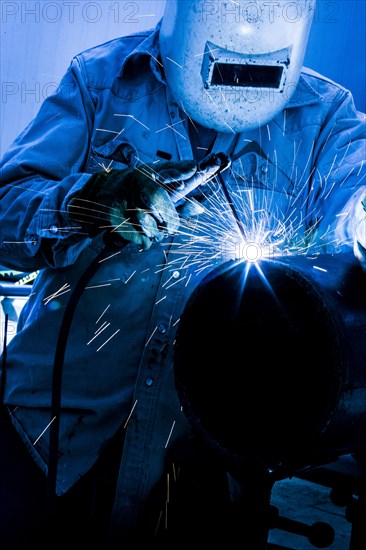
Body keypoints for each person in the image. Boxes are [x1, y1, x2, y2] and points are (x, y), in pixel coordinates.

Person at [0, 0, 365, 547]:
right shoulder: (101, 81)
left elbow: (354, 193)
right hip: (49, 435)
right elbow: (6, 216)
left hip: (203, 461)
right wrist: (84, 203)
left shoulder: (324, 117)